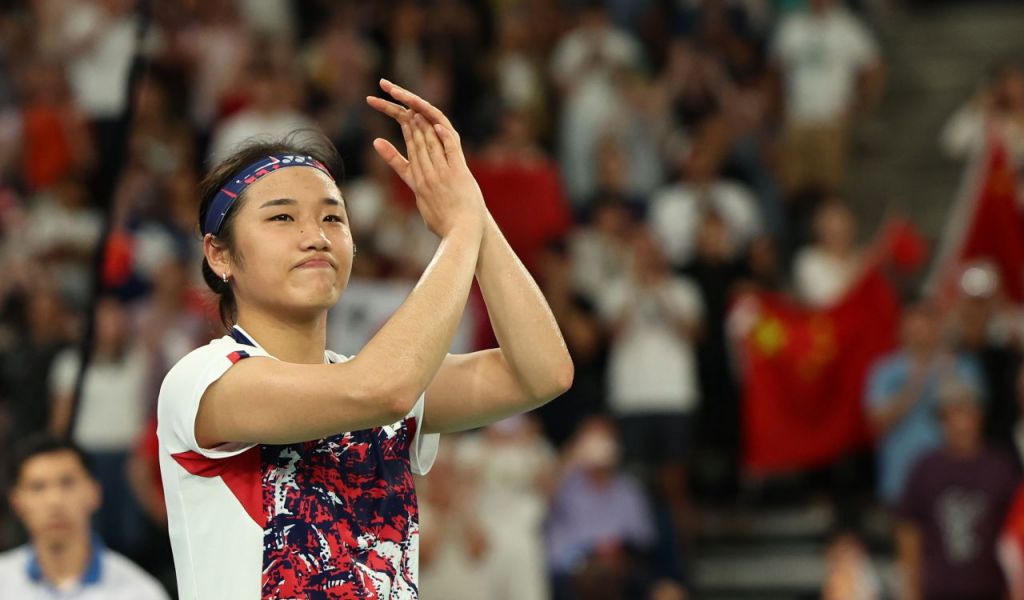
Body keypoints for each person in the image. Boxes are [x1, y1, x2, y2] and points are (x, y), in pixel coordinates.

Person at [156, 79, 573, 599]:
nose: (316, 236)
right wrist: (460, 231)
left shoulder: (382, 379)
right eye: (282, 217)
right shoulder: (204, 379)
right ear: (219, 255)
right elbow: (381, 390)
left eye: (333, 217)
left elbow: (543, 373)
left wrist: (477, 217)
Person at [0, 434, 168, 599]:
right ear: (16, 501)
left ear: (94, 492)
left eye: (67, 483)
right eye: (38, 487)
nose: (54, 500)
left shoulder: (139, 592)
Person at [896, 377, 1018, 600]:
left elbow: (1014, 533)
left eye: (966, 411)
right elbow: (909, 532)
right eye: (951, 413)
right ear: (941, 420)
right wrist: (911, 590)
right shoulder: (926, 468)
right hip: (938, 589)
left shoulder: (1001, 468)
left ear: (979, 415)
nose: (960, 422)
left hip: (989, 589)